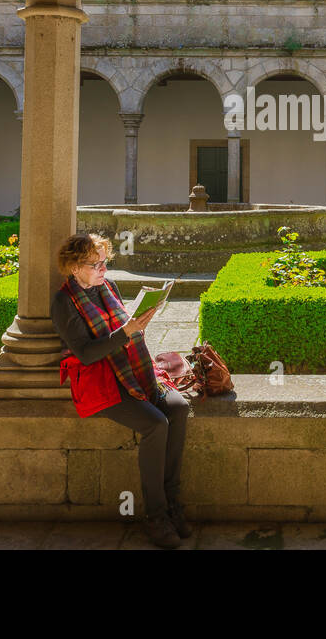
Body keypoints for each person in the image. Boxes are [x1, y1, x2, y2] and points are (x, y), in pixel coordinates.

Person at [52, 232, 192, 549]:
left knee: (179, 408)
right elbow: (86, 353)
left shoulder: (108, 287)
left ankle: (173, 501)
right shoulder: (64, 303)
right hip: (100, 382)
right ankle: (156, 517)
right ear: (74, 267)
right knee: (156, 424)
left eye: (105, 262)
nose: (103, 269)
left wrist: (138, 322)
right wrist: (127, 331)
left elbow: (121, 331)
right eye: (94, 264)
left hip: (133, 371)